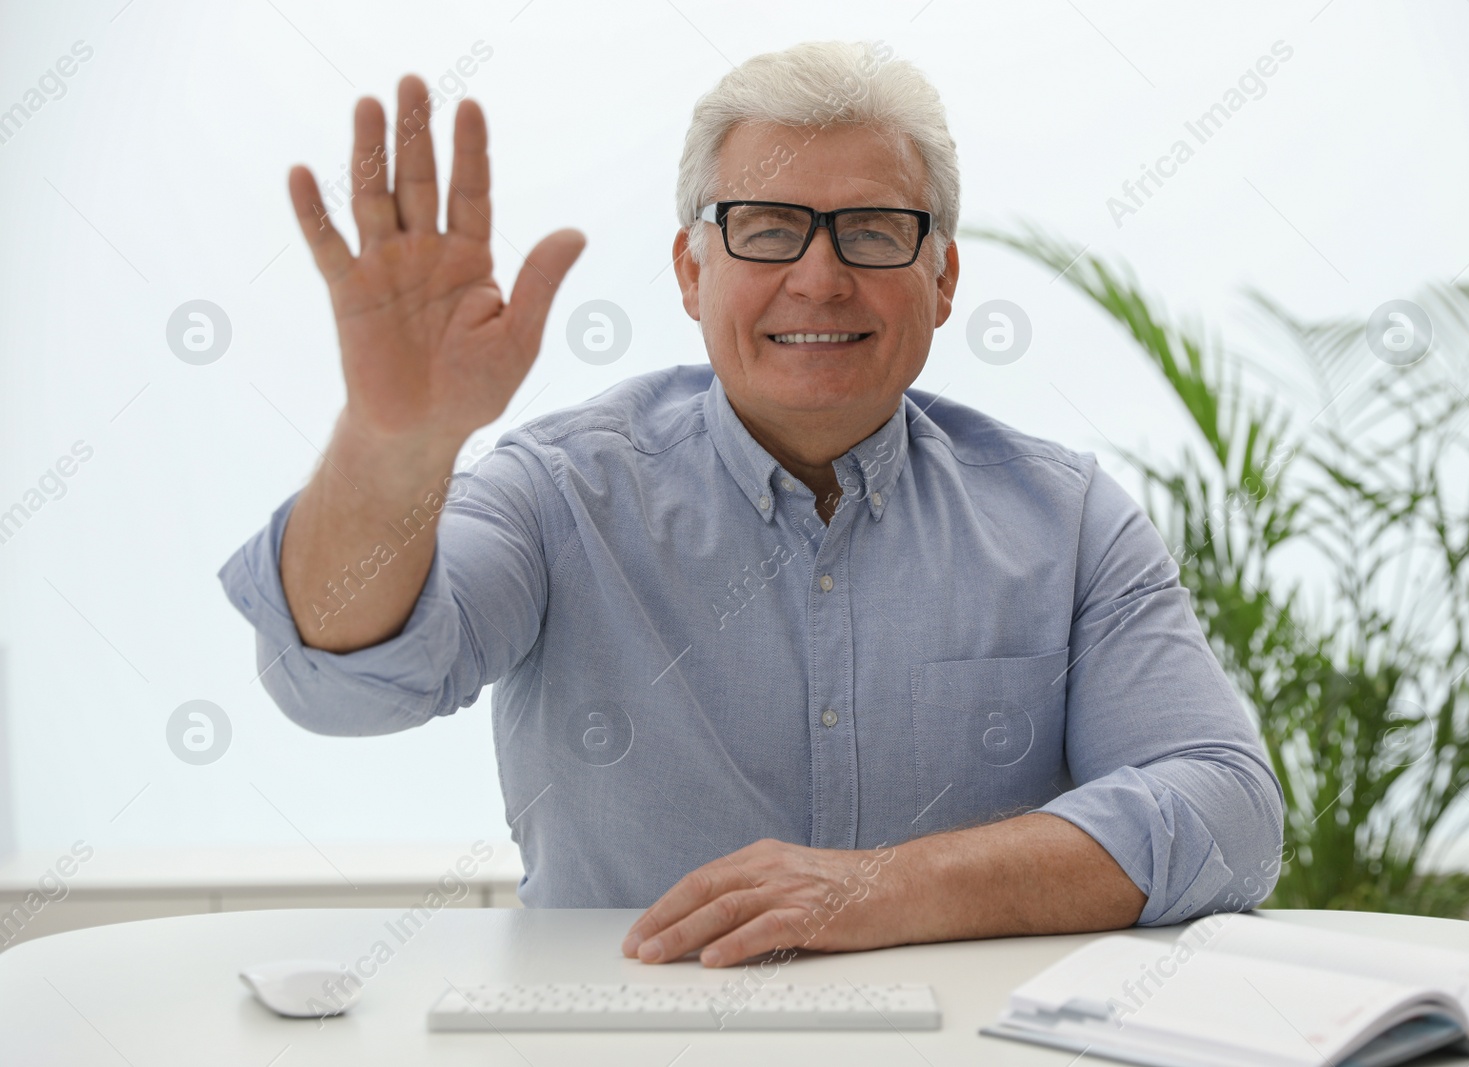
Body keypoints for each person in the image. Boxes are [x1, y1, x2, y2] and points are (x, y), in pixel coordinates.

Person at [220, 40, 1283, 970]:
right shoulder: (559, 489)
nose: (819, 278)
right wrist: (395, 439)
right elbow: (339, 684)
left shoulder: (1068, 520)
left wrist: (881, 890)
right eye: (769, 226)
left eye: (871, 230)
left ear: (943, 277)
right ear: (692, 270)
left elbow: (1227, 814)